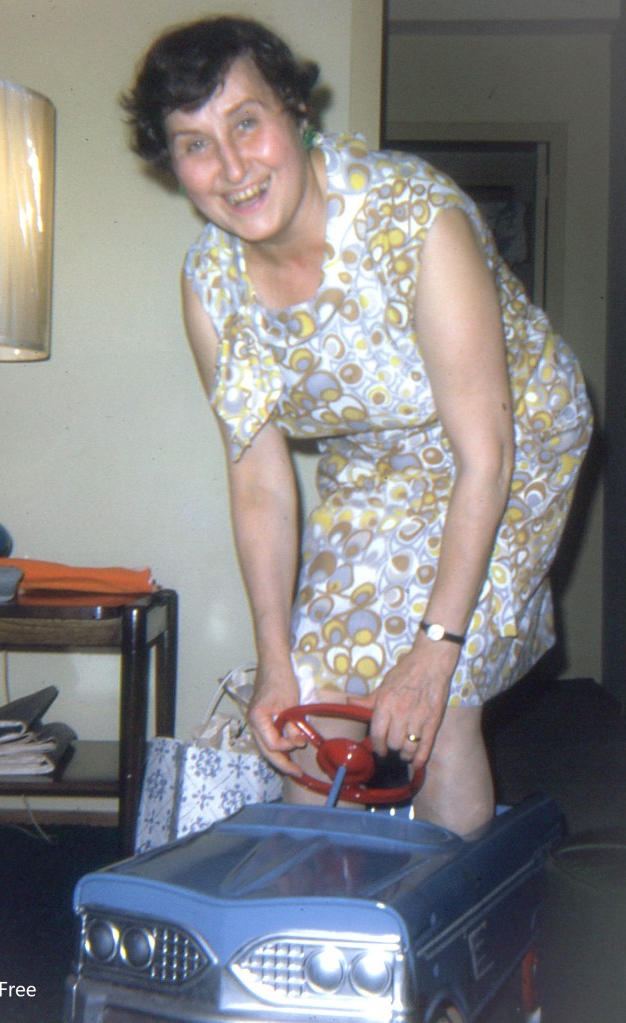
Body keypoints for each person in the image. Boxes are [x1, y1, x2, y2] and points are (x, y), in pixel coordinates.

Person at [122, 17, 592, 835]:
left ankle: (449, 944)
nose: (231, 167)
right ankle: (320, 938)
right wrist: (277, 661)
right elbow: (259, 476)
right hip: (374, 460)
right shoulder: (209, 285)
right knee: (310, 720)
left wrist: (434, 650)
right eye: (195, 144)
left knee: (433, 716)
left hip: (513, 440)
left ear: (295, 113)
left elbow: (485, 454)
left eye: (245, 121)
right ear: (172, 167)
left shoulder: (413, 219)